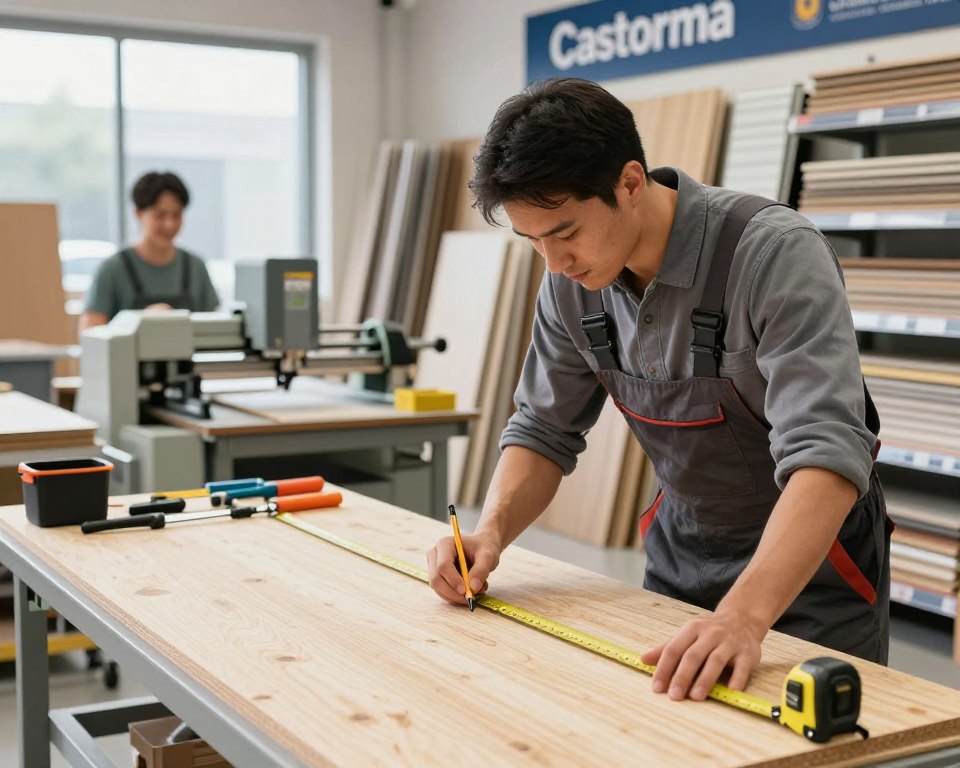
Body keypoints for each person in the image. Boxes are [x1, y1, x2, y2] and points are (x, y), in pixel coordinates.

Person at [426, 79, 890, 703]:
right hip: (680, 563)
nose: (553, 263)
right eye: (531, 241)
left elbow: (826, 453)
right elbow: (542, 429)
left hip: (812, 578)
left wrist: (745, 616)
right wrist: (490, 533)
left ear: (631, 183)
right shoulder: (570, 284)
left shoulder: (773, 255)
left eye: (564, 233)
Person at [79, 172, 219, 331]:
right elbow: (90, 334)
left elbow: (215, 325)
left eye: (176, 215)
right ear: (138, 213)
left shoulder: (195, 267)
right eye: (160, 216)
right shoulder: (112, 269)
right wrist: (137, 321)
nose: (169, 224)